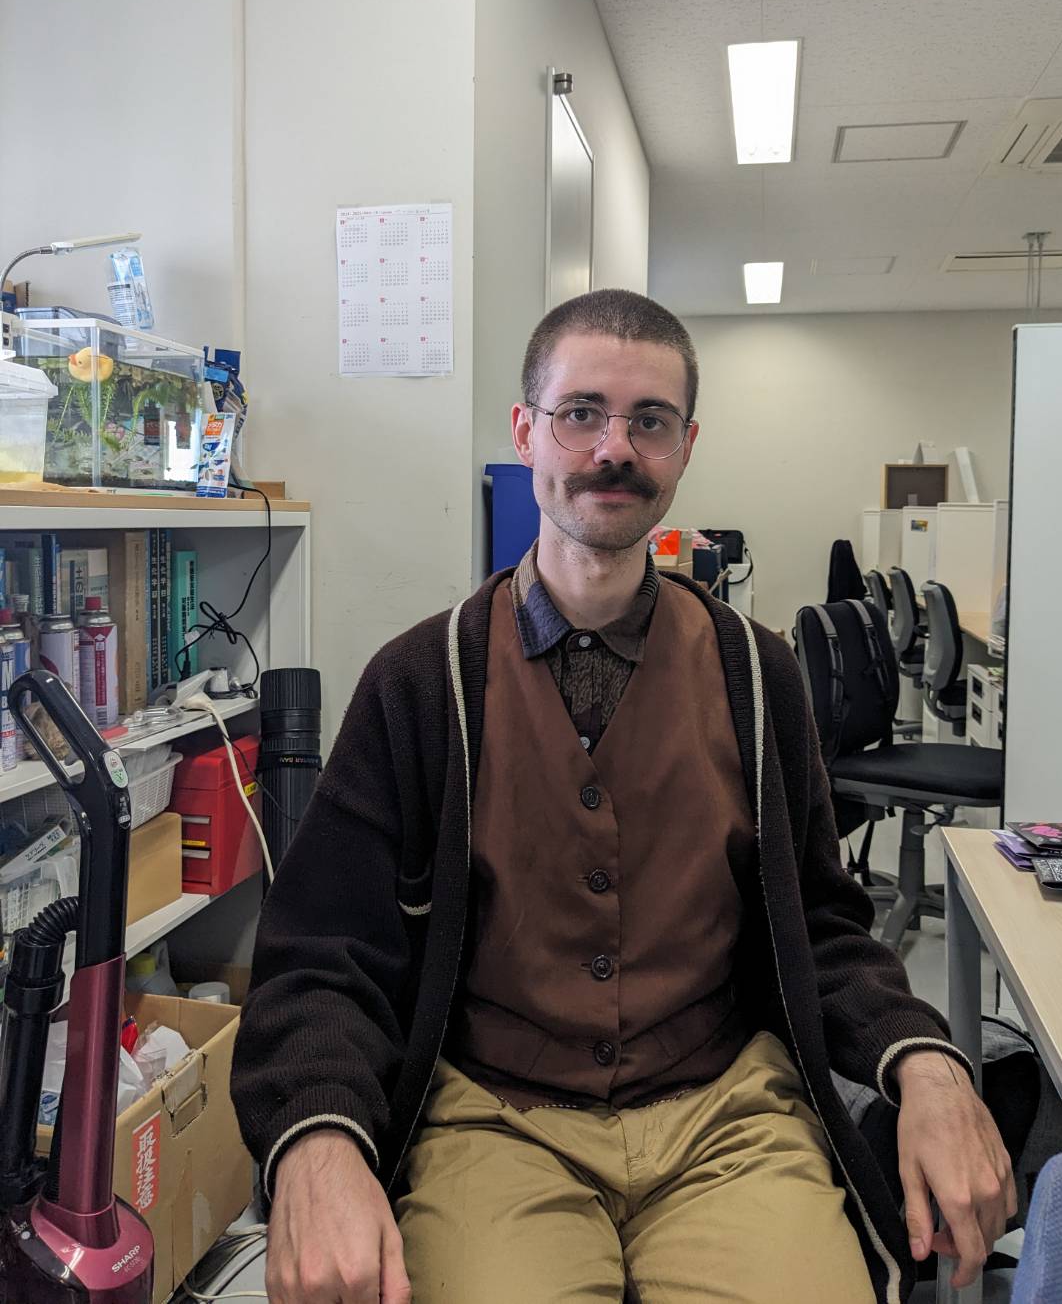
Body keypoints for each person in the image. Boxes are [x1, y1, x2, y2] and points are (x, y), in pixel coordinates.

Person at [231, 289, 1015, 1304]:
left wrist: (927, 1061)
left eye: (649, 420)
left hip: (728, 1114)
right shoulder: (423, 682)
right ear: (526, 432)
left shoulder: (756, 674)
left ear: (685, 446)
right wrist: (317, 1137)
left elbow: (821, 924)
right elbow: (322, 955)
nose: (614, 448)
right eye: (580, 413)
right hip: (494, 1118)